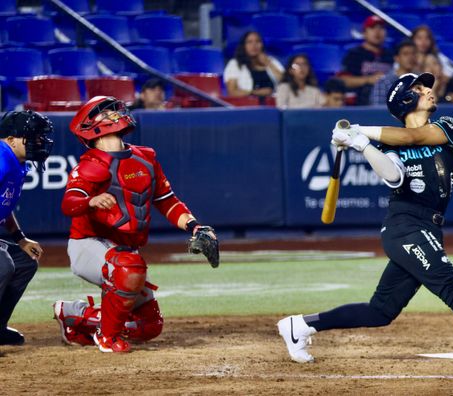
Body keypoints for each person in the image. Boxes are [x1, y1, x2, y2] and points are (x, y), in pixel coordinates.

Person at [277, 72, 453, 369]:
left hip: (429, 227)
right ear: (405, 99)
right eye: (419, 88)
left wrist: (359, 131)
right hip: (405, 226)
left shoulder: (449, 127)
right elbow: (393, 175)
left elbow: (412, 136)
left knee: (380, 311)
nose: (428, 90)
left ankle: (299, 325)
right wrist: (362, 145)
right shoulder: (385, 146)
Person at [53, 96, 219, 353]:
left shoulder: (146, 157)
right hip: (88, 244)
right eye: (105, 113)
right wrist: (91, 201)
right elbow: (69, 203)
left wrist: (194, 226)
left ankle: (74, 315)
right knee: (129, 267)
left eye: (112, 110)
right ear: (90, 126)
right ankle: (107, 336)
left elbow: (167, 201)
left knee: (150, 326)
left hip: (125, 251)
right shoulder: (91, 164)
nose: (113, 114)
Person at [0, 110, 53, 345]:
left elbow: (4, 204)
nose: (38, 142)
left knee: (24, 262)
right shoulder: (1, 159)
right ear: (11, 139)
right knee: (2, 265)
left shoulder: (14, 161)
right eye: (31, 136)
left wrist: (20, 238)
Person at [339, 15, 394, 106]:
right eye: (372, 28)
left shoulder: (390, 55)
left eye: (381, 28)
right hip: (360, 104)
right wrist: (368, 80)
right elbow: (343, 81)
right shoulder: (354, 54)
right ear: (364, 33)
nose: (377, 32)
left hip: (386, 103)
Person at [223, 31, 284, 101]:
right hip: (247, 105)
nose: (254, 45)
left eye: (258, 41)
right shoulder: (234, 64)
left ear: (262, 45)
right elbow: (232, 92)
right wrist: (256, 93)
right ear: (243, 46)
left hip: (274, 104)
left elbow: (287, 83)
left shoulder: (271, 61)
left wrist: (269, 64)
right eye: (249, 42)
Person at [371, 40, 418, 105]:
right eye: (405, 54)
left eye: (413, 54)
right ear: (397, 58)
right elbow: (378, 110)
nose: (410, 57)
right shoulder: (384, 82)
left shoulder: (421, 80)